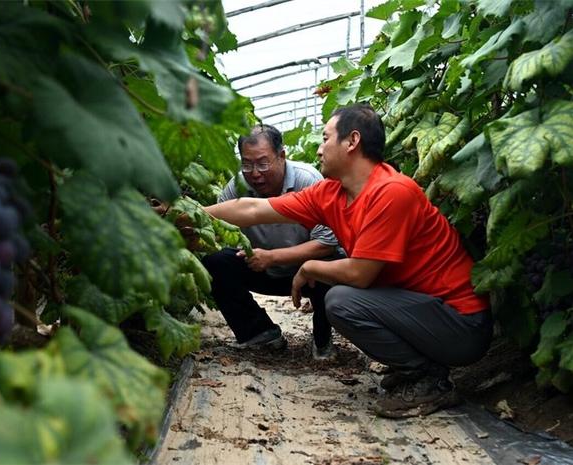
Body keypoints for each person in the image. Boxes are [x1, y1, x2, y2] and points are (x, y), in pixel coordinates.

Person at [203, 104, 493, 419]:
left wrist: (310, 266)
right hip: (421, 313)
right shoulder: (331, 193)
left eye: (326, 138)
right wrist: (187, 213)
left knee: (341, 300)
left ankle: (428, 379)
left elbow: (360, 274)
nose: (318, 148)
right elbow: (251, 209)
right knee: (339, 294)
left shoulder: (392, 192)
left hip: (460, 325)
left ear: (351, 141)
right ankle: (415, 369)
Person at [202, 124, 342, 359]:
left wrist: (272, 257)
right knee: (215, 261)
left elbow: (327, 242)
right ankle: (260, 333)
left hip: (306, 273)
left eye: (263, 163)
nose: (255, 173)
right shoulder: (236, 187)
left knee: (332, 261)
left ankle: (323, 340)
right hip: (261, 269)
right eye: (247, 164)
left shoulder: (308, 181)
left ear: (282, 156)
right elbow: (217, 230)